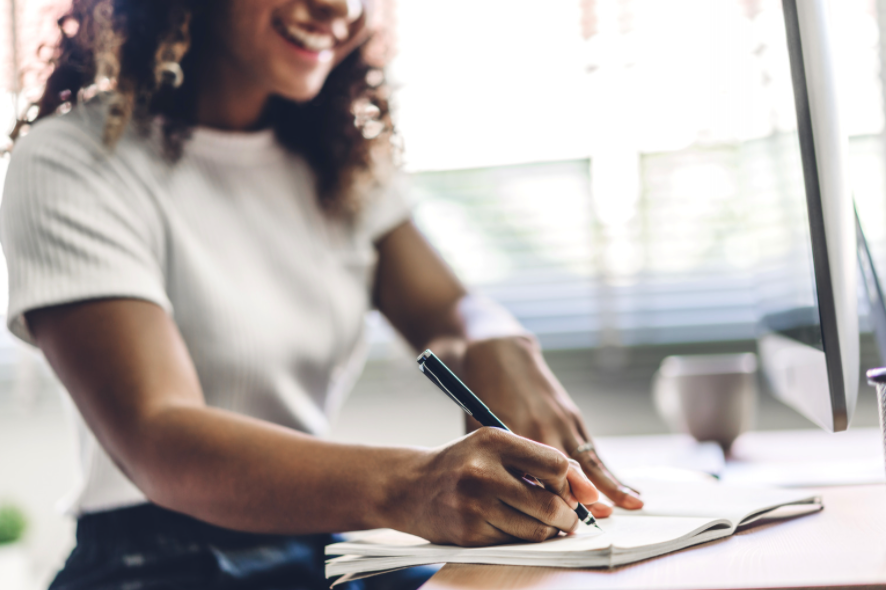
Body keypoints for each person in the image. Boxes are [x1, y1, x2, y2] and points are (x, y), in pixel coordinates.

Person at [1, 1, 644, 588]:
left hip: (314, 546)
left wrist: (495, 340)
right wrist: (412, 484)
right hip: (151, 562)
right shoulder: (72, 161)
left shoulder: (335, 161)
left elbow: (446, 310)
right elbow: (158, 434)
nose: (339, 7)